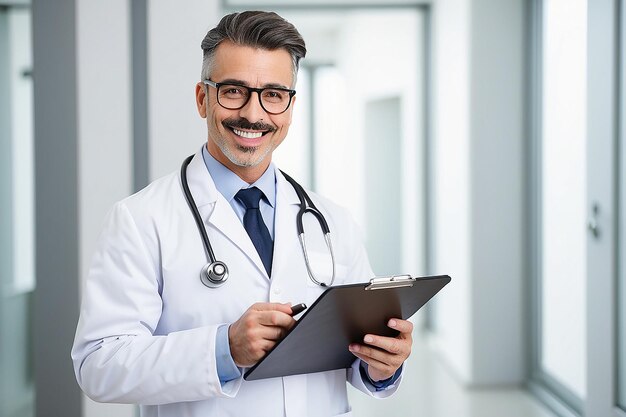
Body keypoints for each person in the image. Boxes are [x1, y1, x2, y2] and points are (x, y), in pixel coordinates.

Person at [71, 10, 413, 417]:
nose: (254, 114)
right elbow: (98, 365)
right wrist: (224, 348)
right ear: (203, 98)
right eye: (234, 91)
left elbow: (356, 351)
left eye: (273, 94)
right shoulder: (141, 220)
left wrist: (381, 365)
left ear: (289, 105)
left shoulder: (332, 220)